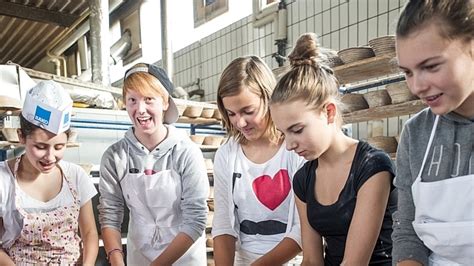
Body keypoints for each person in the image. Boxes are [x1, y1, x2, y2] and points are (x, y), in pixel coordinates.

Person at [270, 33, 396, 265]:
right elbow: (311, 260)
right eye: (283, 133)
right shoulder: (303, 179)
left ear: (328, 112)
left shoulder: (372, 166)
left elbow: (354, 263)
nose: (289, 145)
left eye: (297, 130)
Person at [98, 63, 209, 265]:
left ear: (165, 102)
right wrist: (116, 259)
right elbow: (110, 214)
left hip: (184, 257)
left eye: (149, 99)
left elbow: (196, 218)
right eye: (132, 100)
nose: (140, 110)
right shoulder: (115, 157)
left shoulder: (186, 152)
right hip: (139, 255)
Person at [391, 0, 474, 265]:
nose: (417, 86)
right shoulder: (416, 133)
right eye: (407, 72)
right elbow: (407, 232)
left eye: (431, 66)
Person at [212, 55, 305, 265]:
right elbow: (223, 224)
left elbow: (303, 229)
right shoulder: (227, 154)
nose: (240, 122)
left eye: (248, 111)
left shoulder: (295, 149)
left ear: (269, 98)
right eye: (231, 114)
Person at [0, 80, 98, 265]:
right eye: (40, 146)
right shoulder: (3, 180)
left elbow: (89, 233)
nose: (50, 157)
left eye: (59, 146)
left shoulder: (76, 176)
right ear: (21, 136)